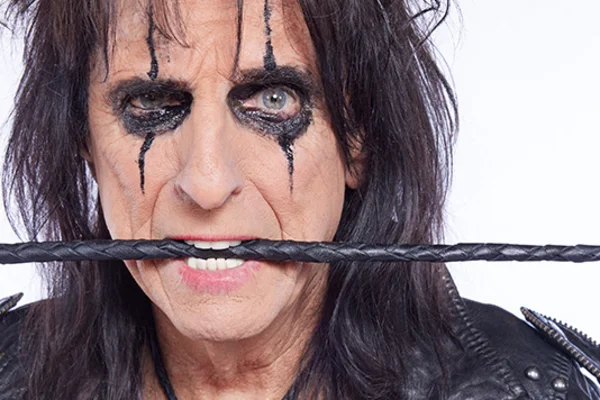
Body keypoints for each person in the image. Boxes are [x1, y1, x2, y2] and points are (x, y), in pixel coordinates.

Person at [0, 0, 598, 399]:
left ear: (357, 137)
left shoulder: (523, 388)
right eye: (150, 104)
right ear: (84, 142)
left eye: (274, 100)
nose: (207, 183)